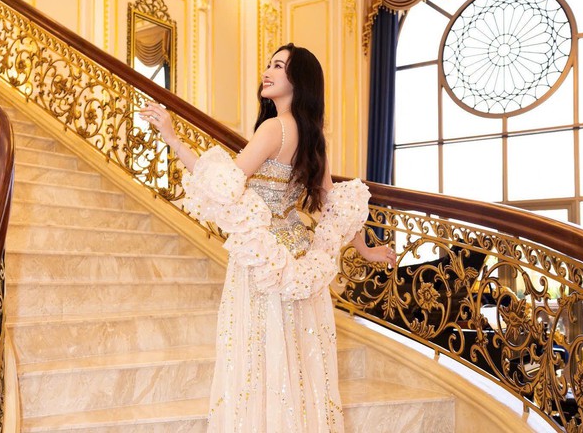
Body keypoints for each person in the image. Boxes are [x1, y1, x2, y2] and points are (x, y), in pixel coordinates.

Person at [139, 43, 396, 432]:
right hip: (298, 255)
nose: (268, 71)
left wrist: (174, 139)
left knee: (259, 358)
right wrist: (366, 248)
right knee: (295, 362)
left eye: (278, 66)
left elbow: (225, 184)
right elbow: (335, 206)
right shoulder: (312, 136)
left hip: (264, 261)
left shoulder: (274, 128)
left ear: (298, 80)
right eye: (269, 64)